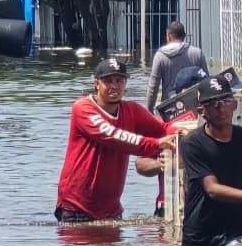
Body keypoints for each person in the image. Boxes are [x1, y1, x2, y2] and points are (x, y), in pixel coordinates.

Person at [55, 57, 176, 222]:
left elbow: (164, 128)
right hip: (76, 208)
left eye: (119, 81)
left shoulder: (132, 110)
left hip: (111, 210)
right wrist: (156, 144)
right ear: (96, 83)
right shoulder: (83, 108)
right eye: (108, 81)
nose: (114, 86)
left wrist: (182, 131)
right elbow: (114, 136)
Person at [180, 78, 242, 246]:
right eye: (213, 104)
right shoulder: (192, 143)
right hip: (201, 236)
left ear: (235, 105)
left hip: (239, 231)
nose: (221, 108)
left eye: (226, 101)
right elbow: (212, 189)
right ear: (202, 111)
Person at [136, 63, 210, 215]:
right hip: (170, 205)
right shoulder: (160, 125)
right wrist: (162, 164)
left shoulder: (221, 120)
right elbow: (140, 164)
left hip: (210, 203)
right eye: (193, 91)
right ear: (179, 95)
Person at [145, 21, 208, 111]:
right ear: (184, 36)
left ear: (168, 36)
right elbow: (207, 82)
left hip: (170, 109)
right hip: (195, 106)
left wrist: (149, 111)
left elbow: (153, 87)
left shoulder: (160, 56)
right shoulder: (197, 53)